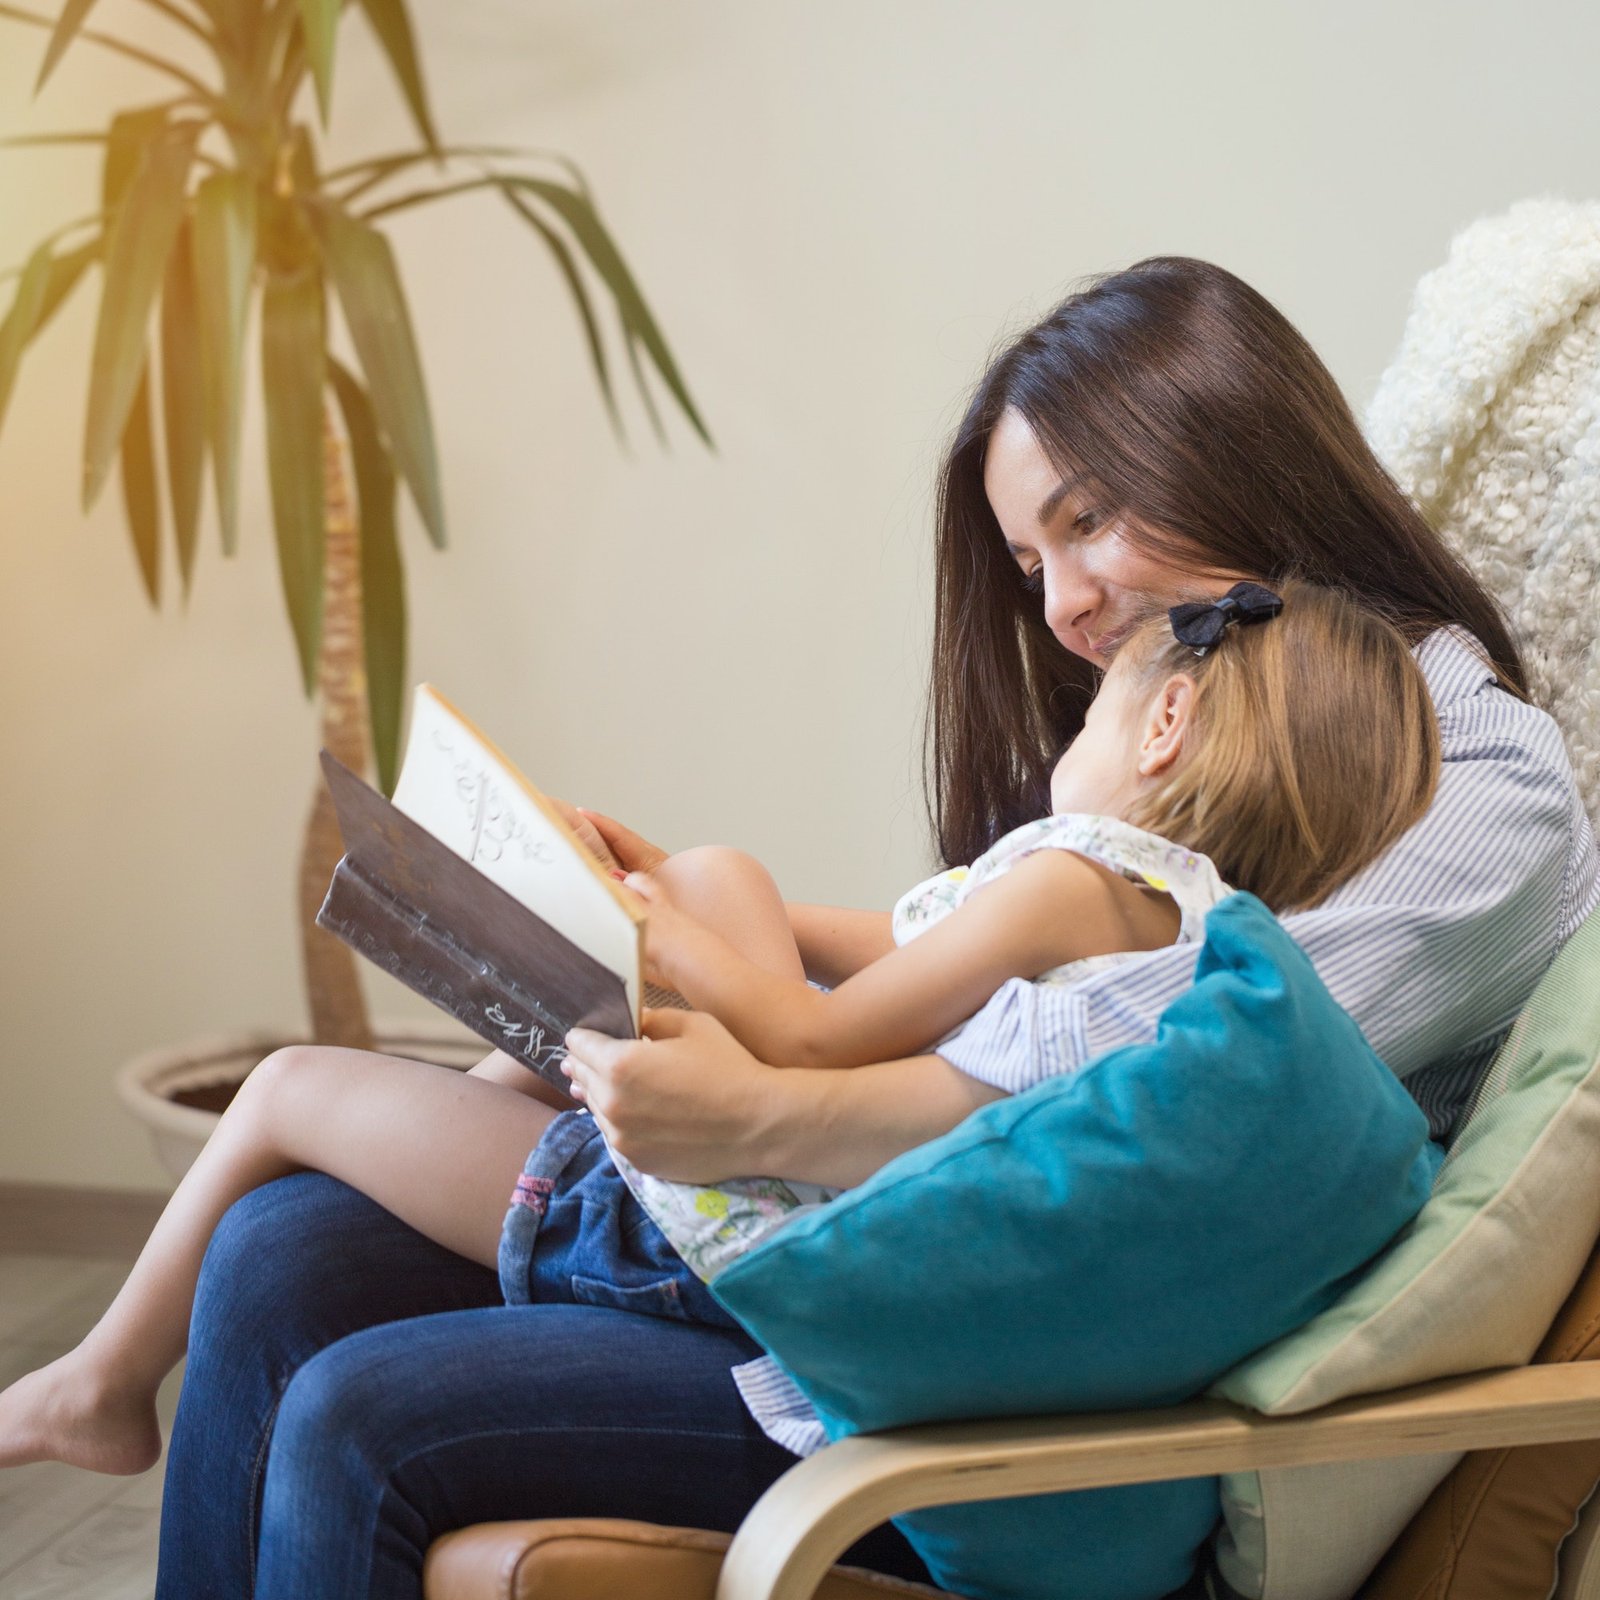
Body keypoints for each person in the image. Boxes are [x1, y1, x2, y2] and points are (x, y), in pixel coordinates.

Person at [131, 257, 1600, 1598]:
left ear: (1228, 441)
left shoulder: (1480, 774)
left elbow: (1175, 1078)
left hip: (1051, 1370)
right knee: (286, 1244)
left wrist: (774, 1097)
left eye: (1088, 521)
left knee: (359, 1406)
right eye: (1034, 567)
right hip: (913, 1253)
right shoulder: (1203, 760)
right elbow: (1002, 970)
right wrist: (665, 936)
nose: (1067, 608)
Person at [0, 578, 1440, 1478]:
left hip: (724, 1222)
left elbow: (815, 1042)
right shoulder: (1173, 945)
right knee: (730, 877)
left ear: (1170, 718)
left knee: (288, 1088)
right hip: (795, 1194)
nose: (1069, 731)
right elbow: (883, 950)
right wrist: (665, 886)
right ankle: (502, 1066)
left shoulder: (1081, 878)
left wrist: (643, 928)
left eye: (1095, 706)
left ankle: (102, 1386)